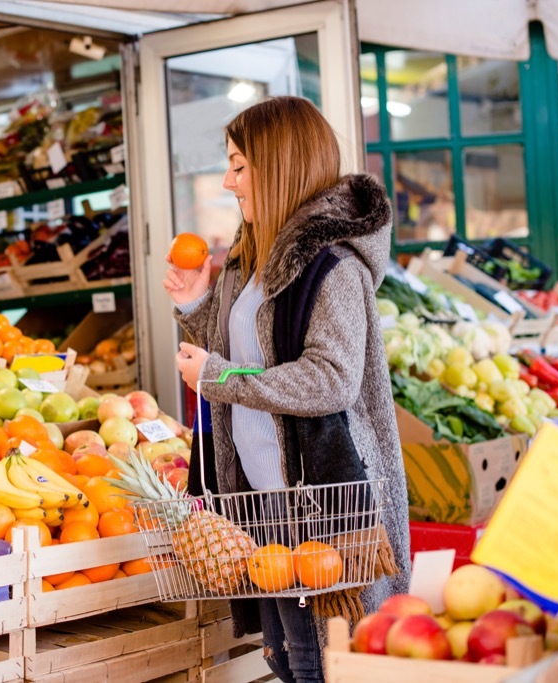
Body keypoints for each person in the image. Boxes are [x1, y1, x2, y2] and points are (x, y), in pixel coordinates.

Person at [164, 96, 410, 683]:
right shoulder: (251, 261)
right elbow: (251, 357)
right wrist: (197, 307)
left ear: (278, 167)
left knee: (319, 666)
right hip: (263, 504)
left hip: (321, 505)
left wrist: (216, 377)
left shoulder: (332, 267)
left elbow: (328, 380)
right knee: (285, 661)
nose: (228, 182)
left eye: (239, 166)